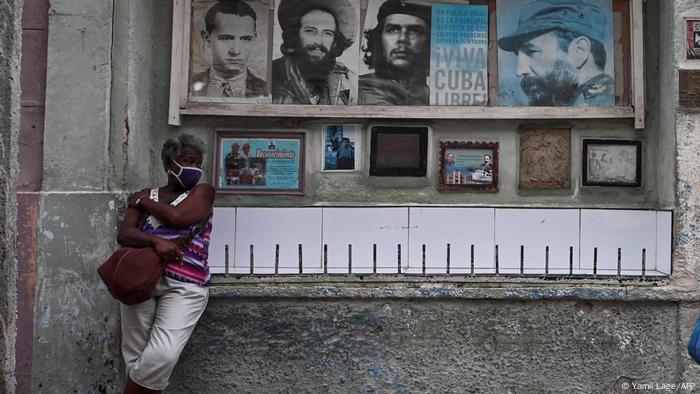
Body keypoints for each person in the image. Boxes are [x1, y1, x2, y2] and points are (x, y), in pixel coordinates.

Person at [117, 134, 215, 393]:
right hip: (141, 280)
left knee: (163, 356)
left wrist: (141, 201)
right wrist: (154, 241)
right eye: (187, 161)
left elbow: (177, 217)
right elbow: (125, 234)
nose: (194, 169)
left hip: (186, 285)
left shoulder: (203, 192)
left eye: (198, 163)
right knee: (135, 354)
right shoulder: (150, 193)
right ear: (169, 165)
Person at [497, 0, 613, 106]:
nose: (519, 71)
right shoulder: (572, 103)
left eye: (532, 52)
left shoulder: (601, 105)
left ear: (579, 50)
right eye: (518, 55)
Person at [272, 0, 357, 105]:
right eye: (310, 31)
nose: (319, 41)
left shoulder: (345, 80)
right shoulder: (271, 75)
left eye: (327, 33)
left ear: (335, 41)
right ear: (295, 36)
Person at [359, 0, 431, 105]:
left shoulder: (432, 96)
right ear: (379, 39)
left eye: (414, 31)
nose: (402, 39)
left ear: (429, 42)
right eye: (393, 30)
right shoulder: (360, 87)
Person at [191, 0, 267, 98]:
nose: (235, 51)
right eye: (226, 38)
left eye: (245, 39)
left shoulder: (266, 91)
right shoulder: (189, 86)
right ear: (207, 39)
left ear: (254, 40)